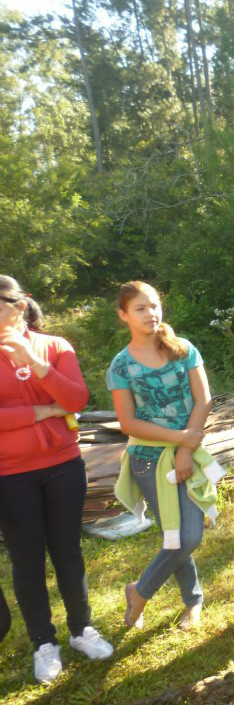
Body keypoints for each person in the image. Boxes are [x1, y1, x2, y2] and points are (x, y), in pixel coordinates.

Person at [0, 276, 113, 682]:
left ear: (20, 305)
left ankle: (82, 629)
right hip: (10, 475)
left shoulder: (55, 346)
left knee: (68, 553)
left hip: (64, 465)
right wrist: (40, 413)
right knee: (27, 560)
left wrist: (33, 361)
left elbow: (76, 399)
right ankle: (43, 643)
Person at [108, 281, 213, 632]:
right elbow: (128, 422)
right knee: (176, 534)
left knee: (189, 534)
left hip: (187, 454)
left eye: (153, 305)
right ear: (124, 315)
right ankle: (193, 601)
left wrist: (185, 449)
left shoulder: (183, 350)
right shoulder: (120, 367)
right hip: (147, 459)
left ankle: (140, 590)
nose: (150, 313)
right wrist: (180, 437)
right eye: (140, 308)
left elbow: (204, 400)